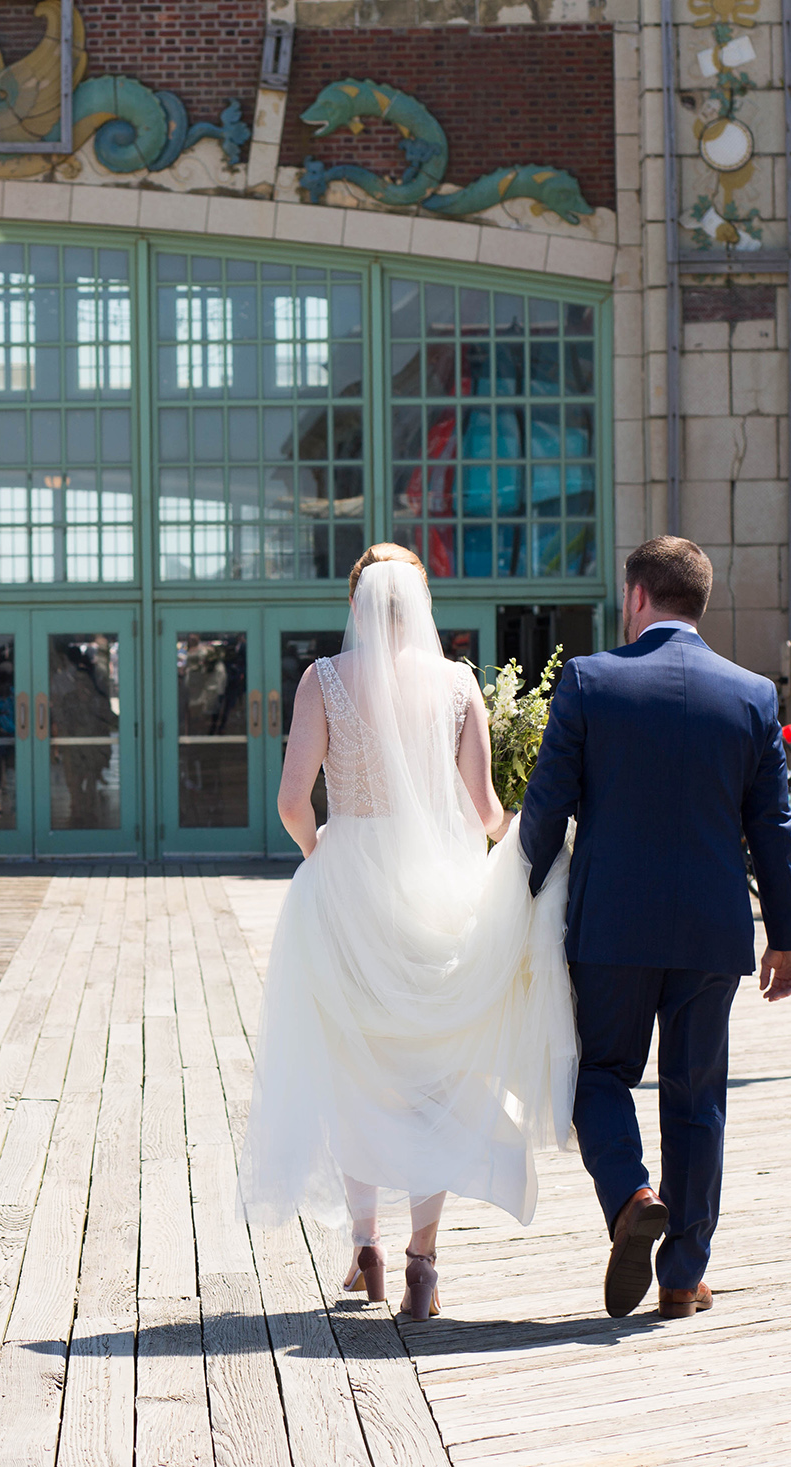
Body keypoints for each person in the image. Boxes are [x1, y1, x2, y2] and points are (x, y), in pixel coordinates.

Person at [240, 544, 578, 1321]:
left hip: (348, 884)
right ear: (422, 605)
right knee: (435, 1074)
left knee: (354, 1066)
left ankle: (367, 1243)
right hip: (441, 889)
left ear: (355, 603)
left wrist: (320, 853)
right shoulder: (460, 685)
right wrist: (517, 831)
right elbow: (487, 811)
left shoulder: (323, 680)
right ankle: (425, 1258)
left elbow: (294, 799)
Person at [519, 535, 791, 1320]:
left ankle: (629, 1194)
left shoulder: (589, 680)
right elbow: (773, 830)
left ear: (637, 596)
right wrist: (787, 935)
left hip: (612, 924)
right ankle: (682, 1277)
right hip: (713, 931)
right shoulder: (752, 695)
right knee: (697, 1094)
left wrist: (522, 886)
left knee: (598, 1072)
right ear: (698, 602)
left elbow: (546, 805)